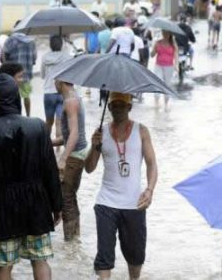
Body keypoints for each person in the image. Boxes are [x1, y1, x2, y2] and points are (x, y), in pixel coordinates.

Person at [0, 73, 62, 280]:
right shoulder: (38, 126)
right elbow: (50, 170)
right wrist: (57, 205)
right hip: (36, 203)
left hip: (2, 207)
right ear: (16, 97)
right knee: (40, 259)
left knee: (4, 266)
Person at [85, 92, 158, 280]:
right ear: (108, 108)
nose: (117, 108)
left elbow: (152, 164)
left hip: (134, 204)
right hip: (106, 203)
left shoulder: (141, 131)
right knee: (104, 256)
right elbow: (89, 168)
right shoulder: (100, 133)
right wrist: (94, 146)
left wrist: (149, 190)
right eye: (114, 104)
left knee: (135, 256)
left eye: (122, 104)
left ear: (129, 107)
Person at [51, 80, 88, 241]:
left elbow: (74, 134)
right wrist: (50, 142)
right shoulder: (74, 98)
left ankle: (71, 243)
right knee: (70, 197)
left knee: (66, 199)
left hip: (74, 155)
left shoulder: (71, 101)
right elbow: (68, 136)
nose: (53, 84)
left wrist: (63, 158)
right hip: (77, 153)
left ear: (60, 81)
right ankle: (74, 241)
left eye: (54, 80)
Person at [2, 21, 37, 117]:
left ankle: (15, 115)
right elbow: (34, 58)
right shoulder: (31, 41)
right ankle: (28, 116)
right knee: (26, 96)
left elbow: (5, 54)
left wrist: (6, 66)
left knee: (13, 96)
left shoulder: (10, 40)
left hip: (12, 75)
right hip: (26, 74)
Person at [41, 36, 72, 138]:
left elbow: (42, 75)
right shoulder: (67, 57)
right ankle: (58, 151)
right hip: (62, 92)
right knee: (59, 122)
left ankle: (46, 146)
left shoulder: (45, 57)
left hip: (48, 93)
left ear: (50, 45)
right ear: (61, 44)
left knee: (49, 122)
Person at [151, 31, 178, 110]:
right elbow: (152, 55)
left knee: (167, 85)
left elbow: (176, 55)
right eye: (163, 33)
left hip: (169, 67)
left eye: (166, 33)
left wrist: (176, 65)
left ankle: (166, 104)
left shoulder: (173, 44)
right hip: (158, 65)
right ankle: (156, 102)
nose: (165, 34)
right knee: (157, 83)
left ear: (170, 34)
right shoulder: (158, 42)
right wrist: (154, 48)